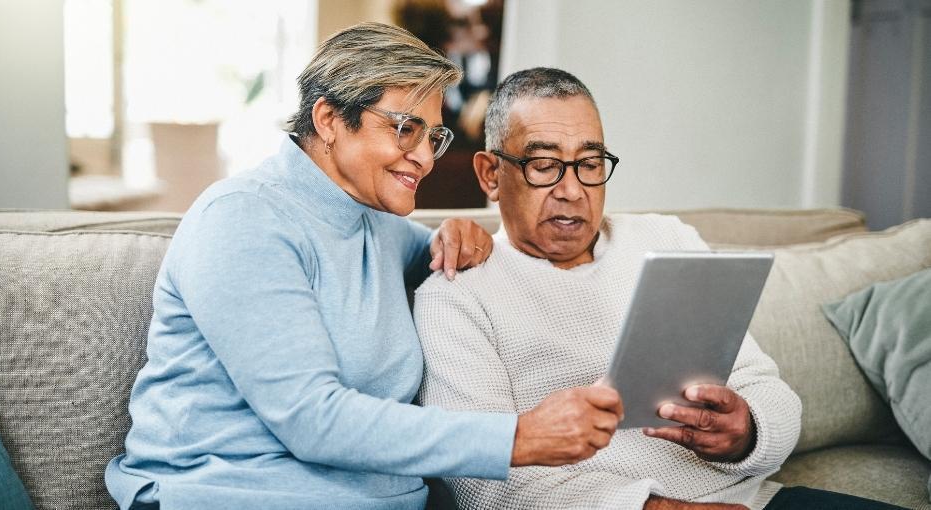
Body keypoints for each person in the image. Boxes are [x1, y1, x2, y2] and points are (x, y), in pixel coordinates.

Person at [105, 25, 624, 510]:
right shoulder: (243, 219)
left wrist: (461, 237)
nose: (423, 157)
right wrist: (518, 436)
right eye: (404, 129)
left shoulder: (379, 227)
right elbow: (313, 419)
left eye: (434, 138)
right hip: (232, 493)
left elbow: (464, 262)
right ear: (329, 120)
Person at [414, 67, 907, 510]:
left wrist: (747, 432)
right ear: (490, 174)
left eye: (590, 163)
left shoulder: (665, 239)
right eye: (544, 165)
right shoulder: (457, 291)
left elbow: (767, 389)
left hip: (752, 501)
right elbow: (478, 482)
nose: (572, 190)